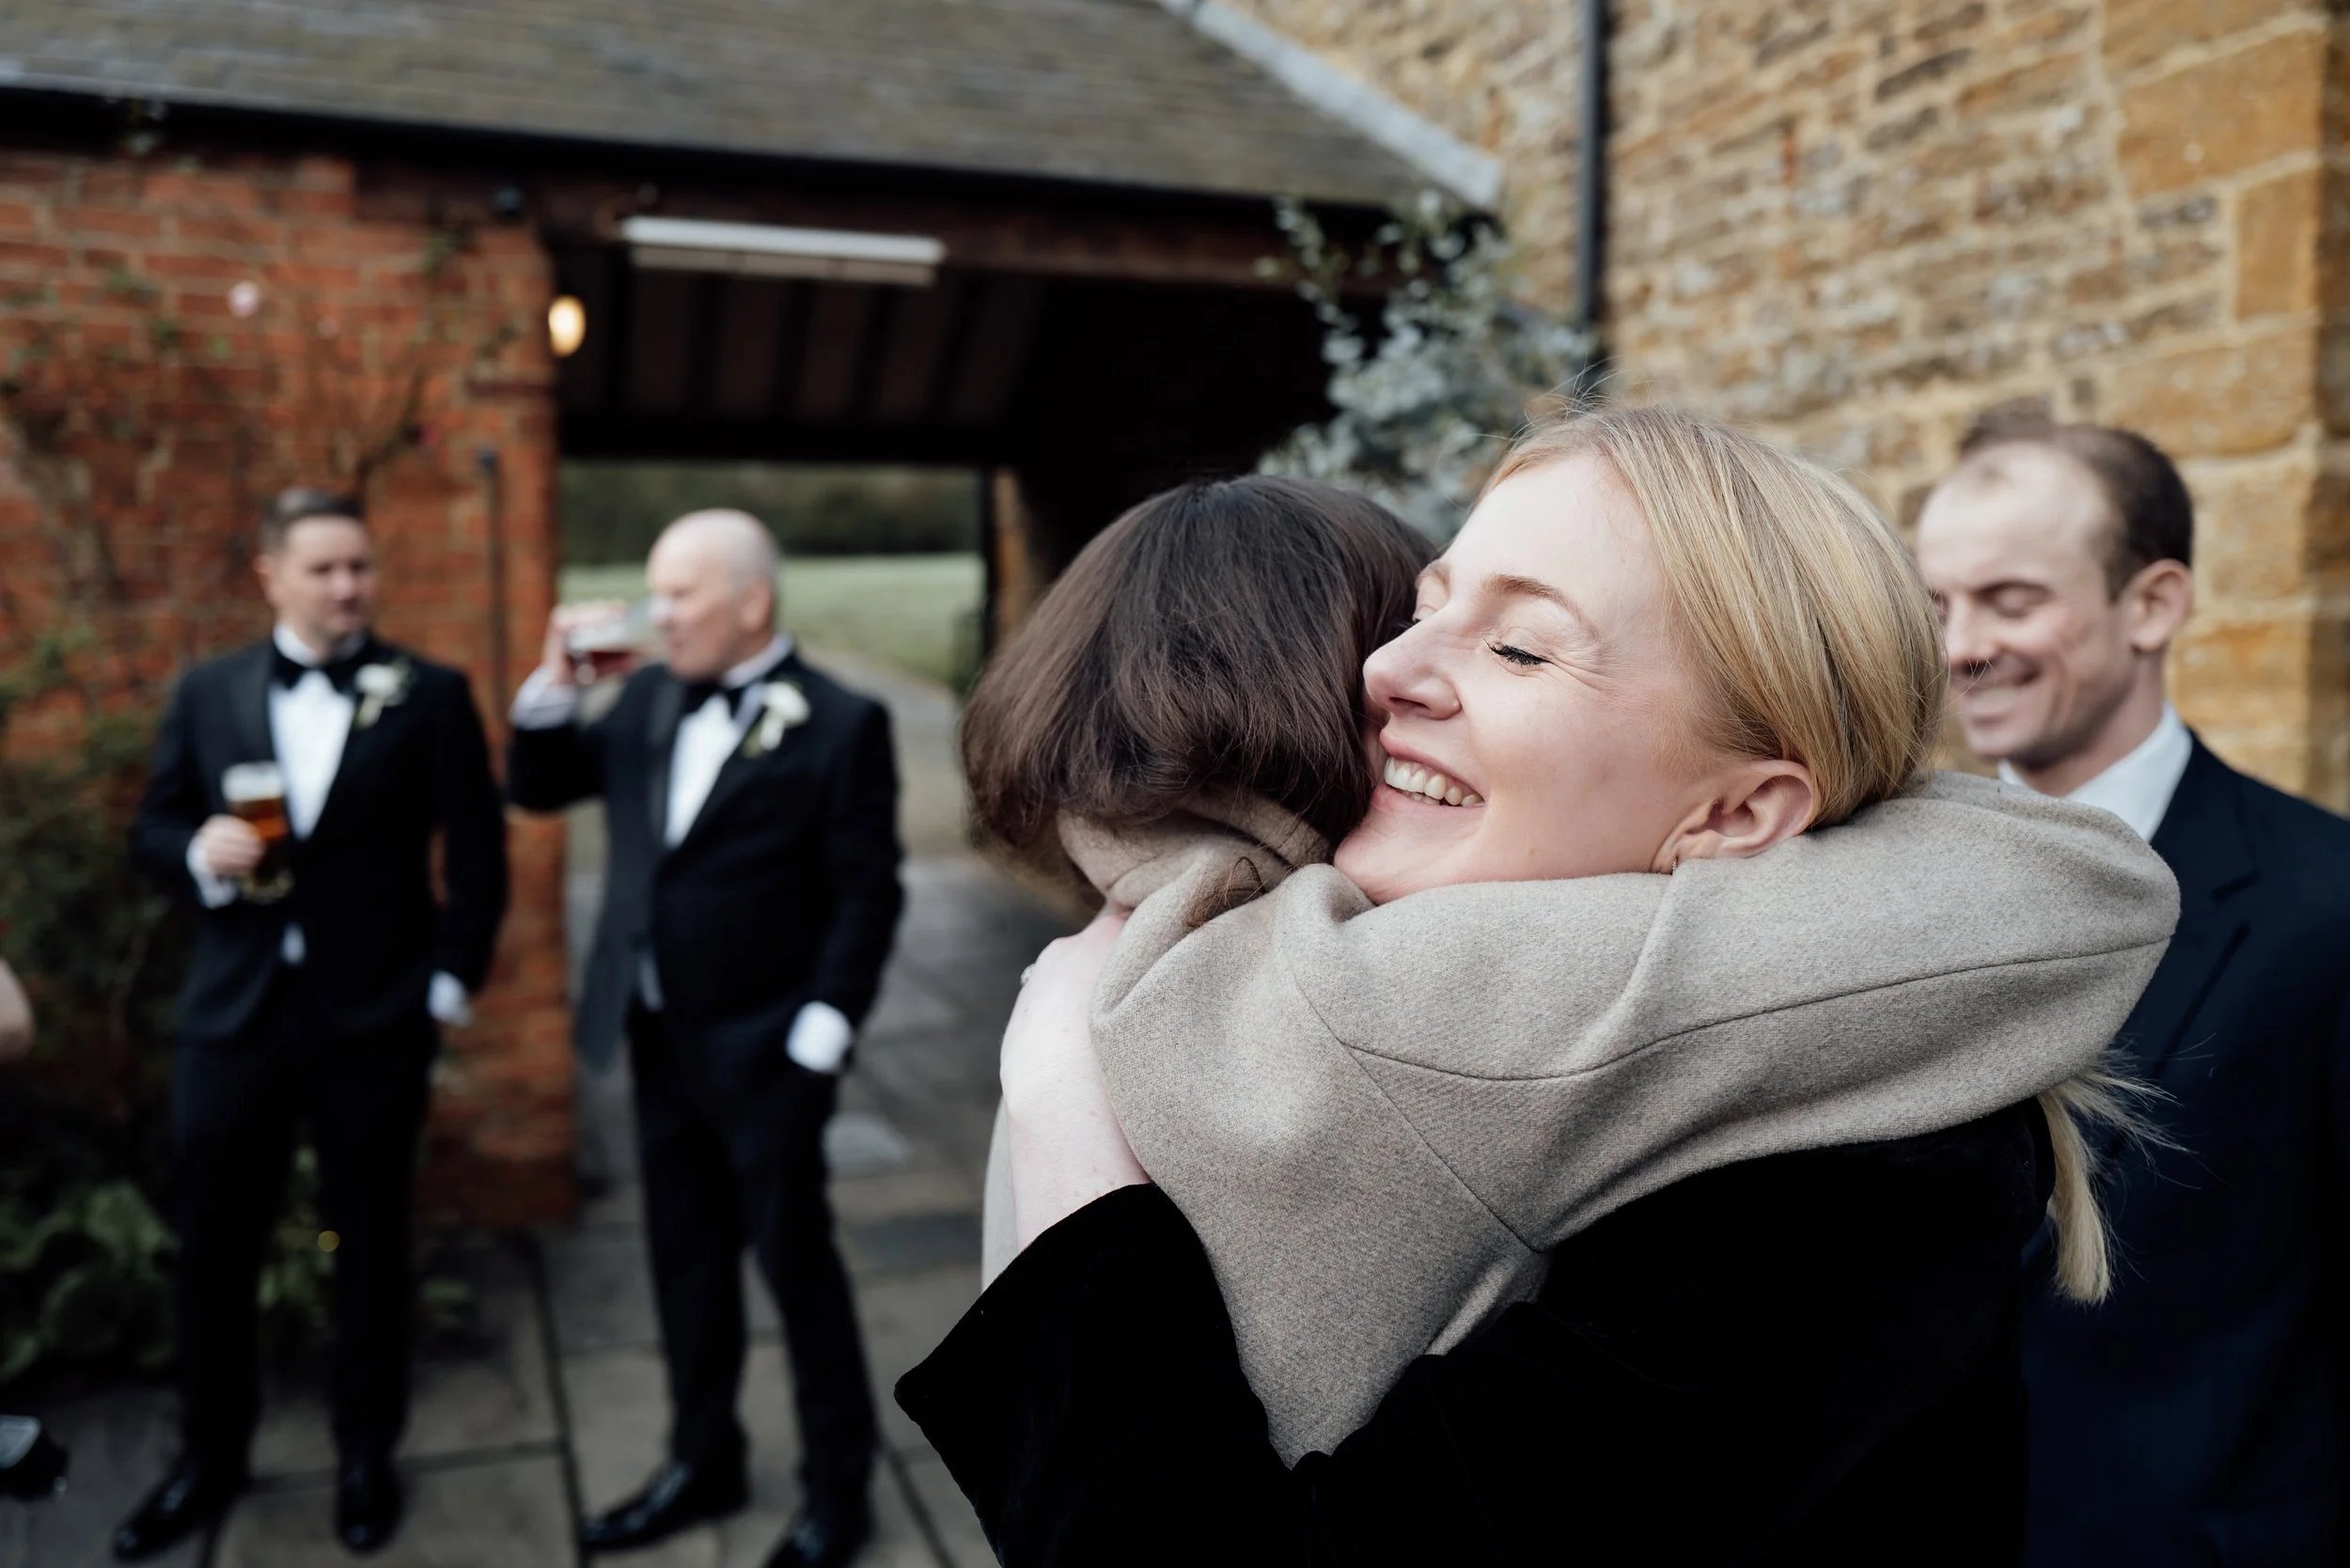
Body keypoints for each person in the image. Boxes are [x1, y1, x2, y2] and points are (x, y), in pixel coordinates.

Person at [901, 410, 2175, 1561]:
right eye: (1425, 605)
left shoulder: (1831, 1198)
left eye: (1520, 648)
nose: (1383, 673)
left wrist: (1070, 1134)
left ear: (1737, 809)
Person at [1917, 422, 2350, 1567]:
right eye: (1937, 606)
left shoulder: (2329, 903)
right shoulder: (1887, 888)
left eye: (2009, 601)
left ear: (2151, 605)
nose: (1962, 648)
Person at [120, 488, 509, 1559]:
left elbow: (476, 856)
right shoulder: (207, 694)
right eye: (326, 568)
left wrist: (447, 984)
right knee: (213, 1248)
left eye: (361, 568)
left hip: (374, 1021)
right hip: (230, 1021)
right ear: (270, 576)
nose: (349, 587)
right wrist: (198, 854)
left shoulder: (429, 694)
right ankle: (207, 1456)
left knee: (368, 1246)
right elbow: (151, 828)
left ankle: (364, 1456)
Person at [508, 510, 901, 1568]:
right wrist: (552, 687)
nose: (655, 615)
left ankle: (839, 1490)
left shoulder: (838, 723)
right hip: (654, 1039)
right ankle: (702, 1458)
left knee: (796, 1267)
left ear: (751, 602)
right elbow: (537, 786)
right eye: (654, 591)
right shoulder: (639, 698)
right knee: (683, 1264)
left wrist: (816, 1041)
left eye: (678, 594)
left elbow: (867, 896)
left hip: (768, 1050)